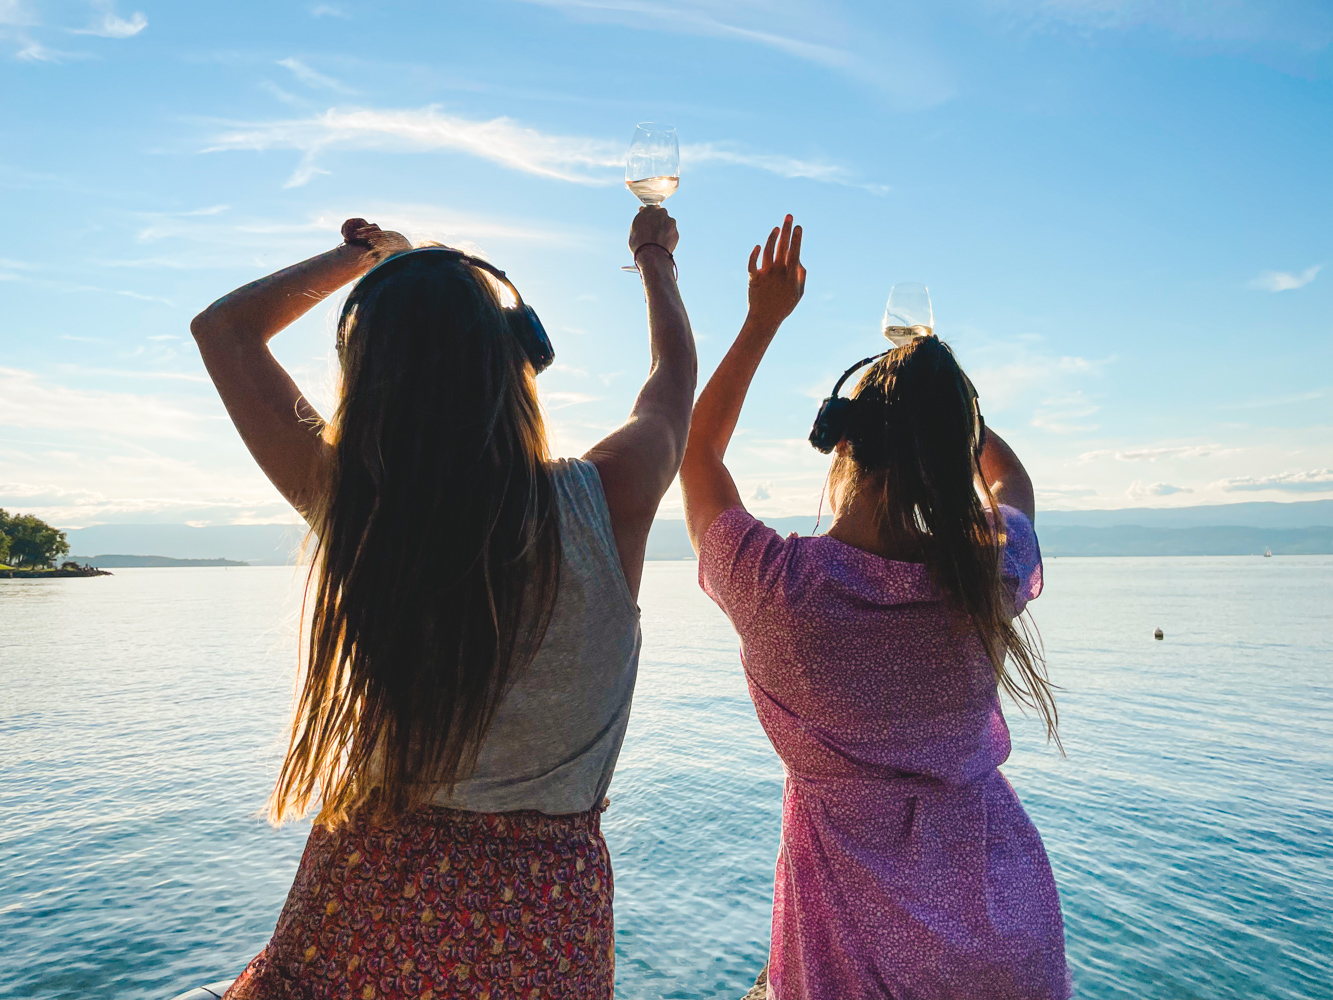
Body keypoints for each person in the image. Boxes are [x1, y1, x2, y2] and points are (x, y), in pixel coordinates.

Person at [190, 208, 695, 999]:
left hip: (355, 914)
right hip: (537, 930)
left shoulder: (360, 509)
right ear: (518, 354)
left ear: (366, 376)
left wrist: (362, 261)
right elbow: (671, 389)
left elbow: (224, 330)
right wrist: (654, 259)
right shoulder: (608, 497)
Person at [680, 216, 1070, 999]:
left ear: (842, 442)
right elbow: (1013, 489)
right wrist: (947, 407)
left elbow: (695, 454)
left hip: (854, 962)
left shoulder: (779, 587)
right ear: (951, 449)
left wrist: (762, 320)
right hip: (1008, 938)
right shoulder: (984, 574)